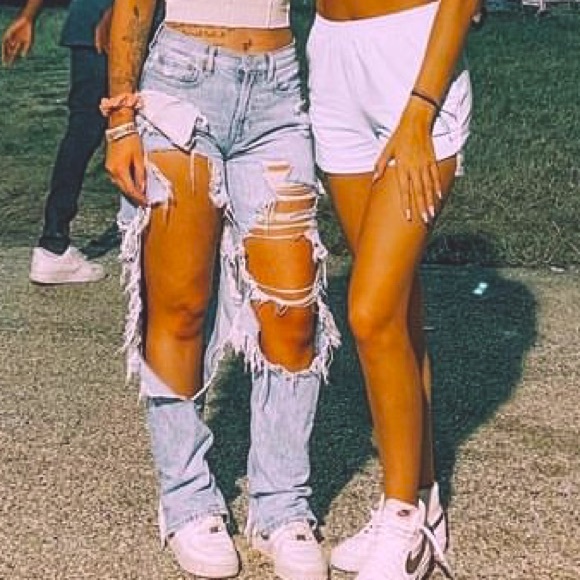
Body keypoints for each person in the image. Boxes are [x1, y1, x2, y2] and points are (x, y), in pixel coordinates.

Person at [104, 0, 339, 578]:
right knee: (181, 304)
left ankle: (282, 507)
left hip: (278, 94)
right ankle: (187, 499)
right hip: (180, 85)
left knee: (292, 312)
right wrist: (120, 120)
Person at [307, 0, 477, 578]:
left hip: (413, 59)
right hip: (333, 55)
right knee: (395, 309)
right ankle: (420, 502)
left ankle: (402, 522)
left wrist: (421, 107)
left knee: (371, 311)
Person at [2, 0, 112, 284]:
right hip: (113, 23)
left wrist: (28, 16)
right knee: (91, 129)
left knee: (84, 128)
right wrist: (116, 13)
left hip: (92, 21)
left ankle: (54, 243)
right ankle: (53, 244)